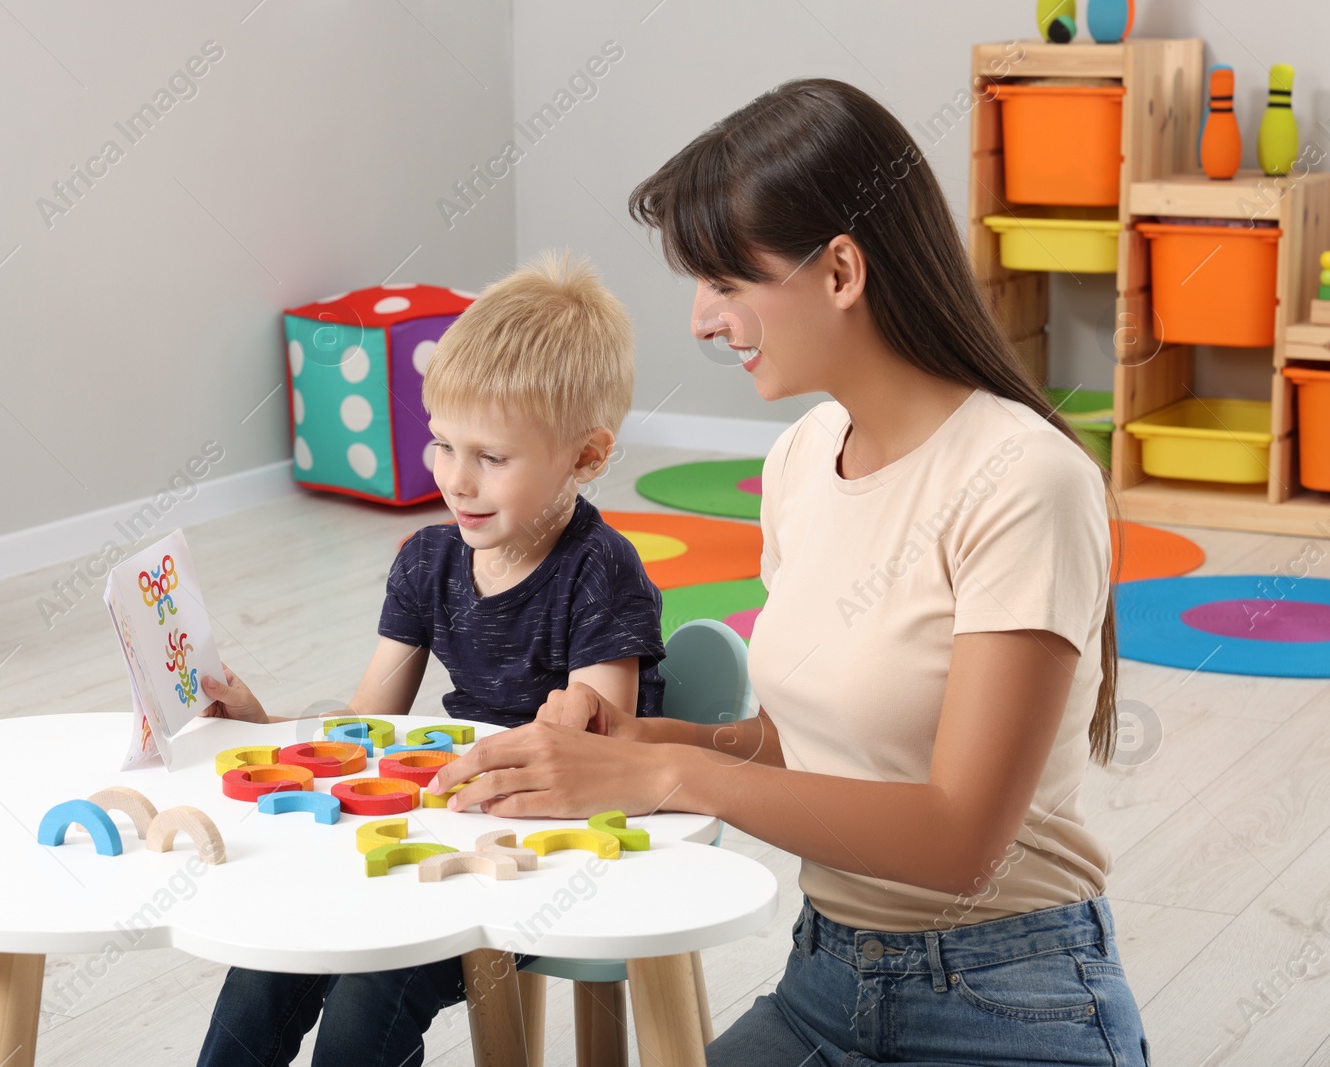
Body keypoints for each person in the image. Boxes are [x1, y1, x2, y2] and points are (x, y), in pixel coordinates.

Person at [432, 78, 1151, 1067]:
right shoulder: (803, 458)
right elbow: (808, 744)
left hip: (1005, 995)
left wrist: (671, 772)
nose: (699, 318)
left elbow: (958, 838)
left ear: (841, 271)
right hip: (825, 977)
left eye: (726, 282)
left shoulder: (1023, 480)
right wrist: (645, 738)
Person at [193, 250, 667, 1067]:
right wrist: (267, 725)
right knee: (264, 969)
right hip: (447, 820)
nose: (457, 480)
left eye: (493, 457)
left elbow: (597, 748)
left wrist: (574, 716)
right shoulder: (427, 562)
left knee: (364, 1011)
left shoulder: (601, 571)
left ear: (587, 457)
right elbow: (369, 723)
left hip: (553, 850)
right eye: (444, 444)